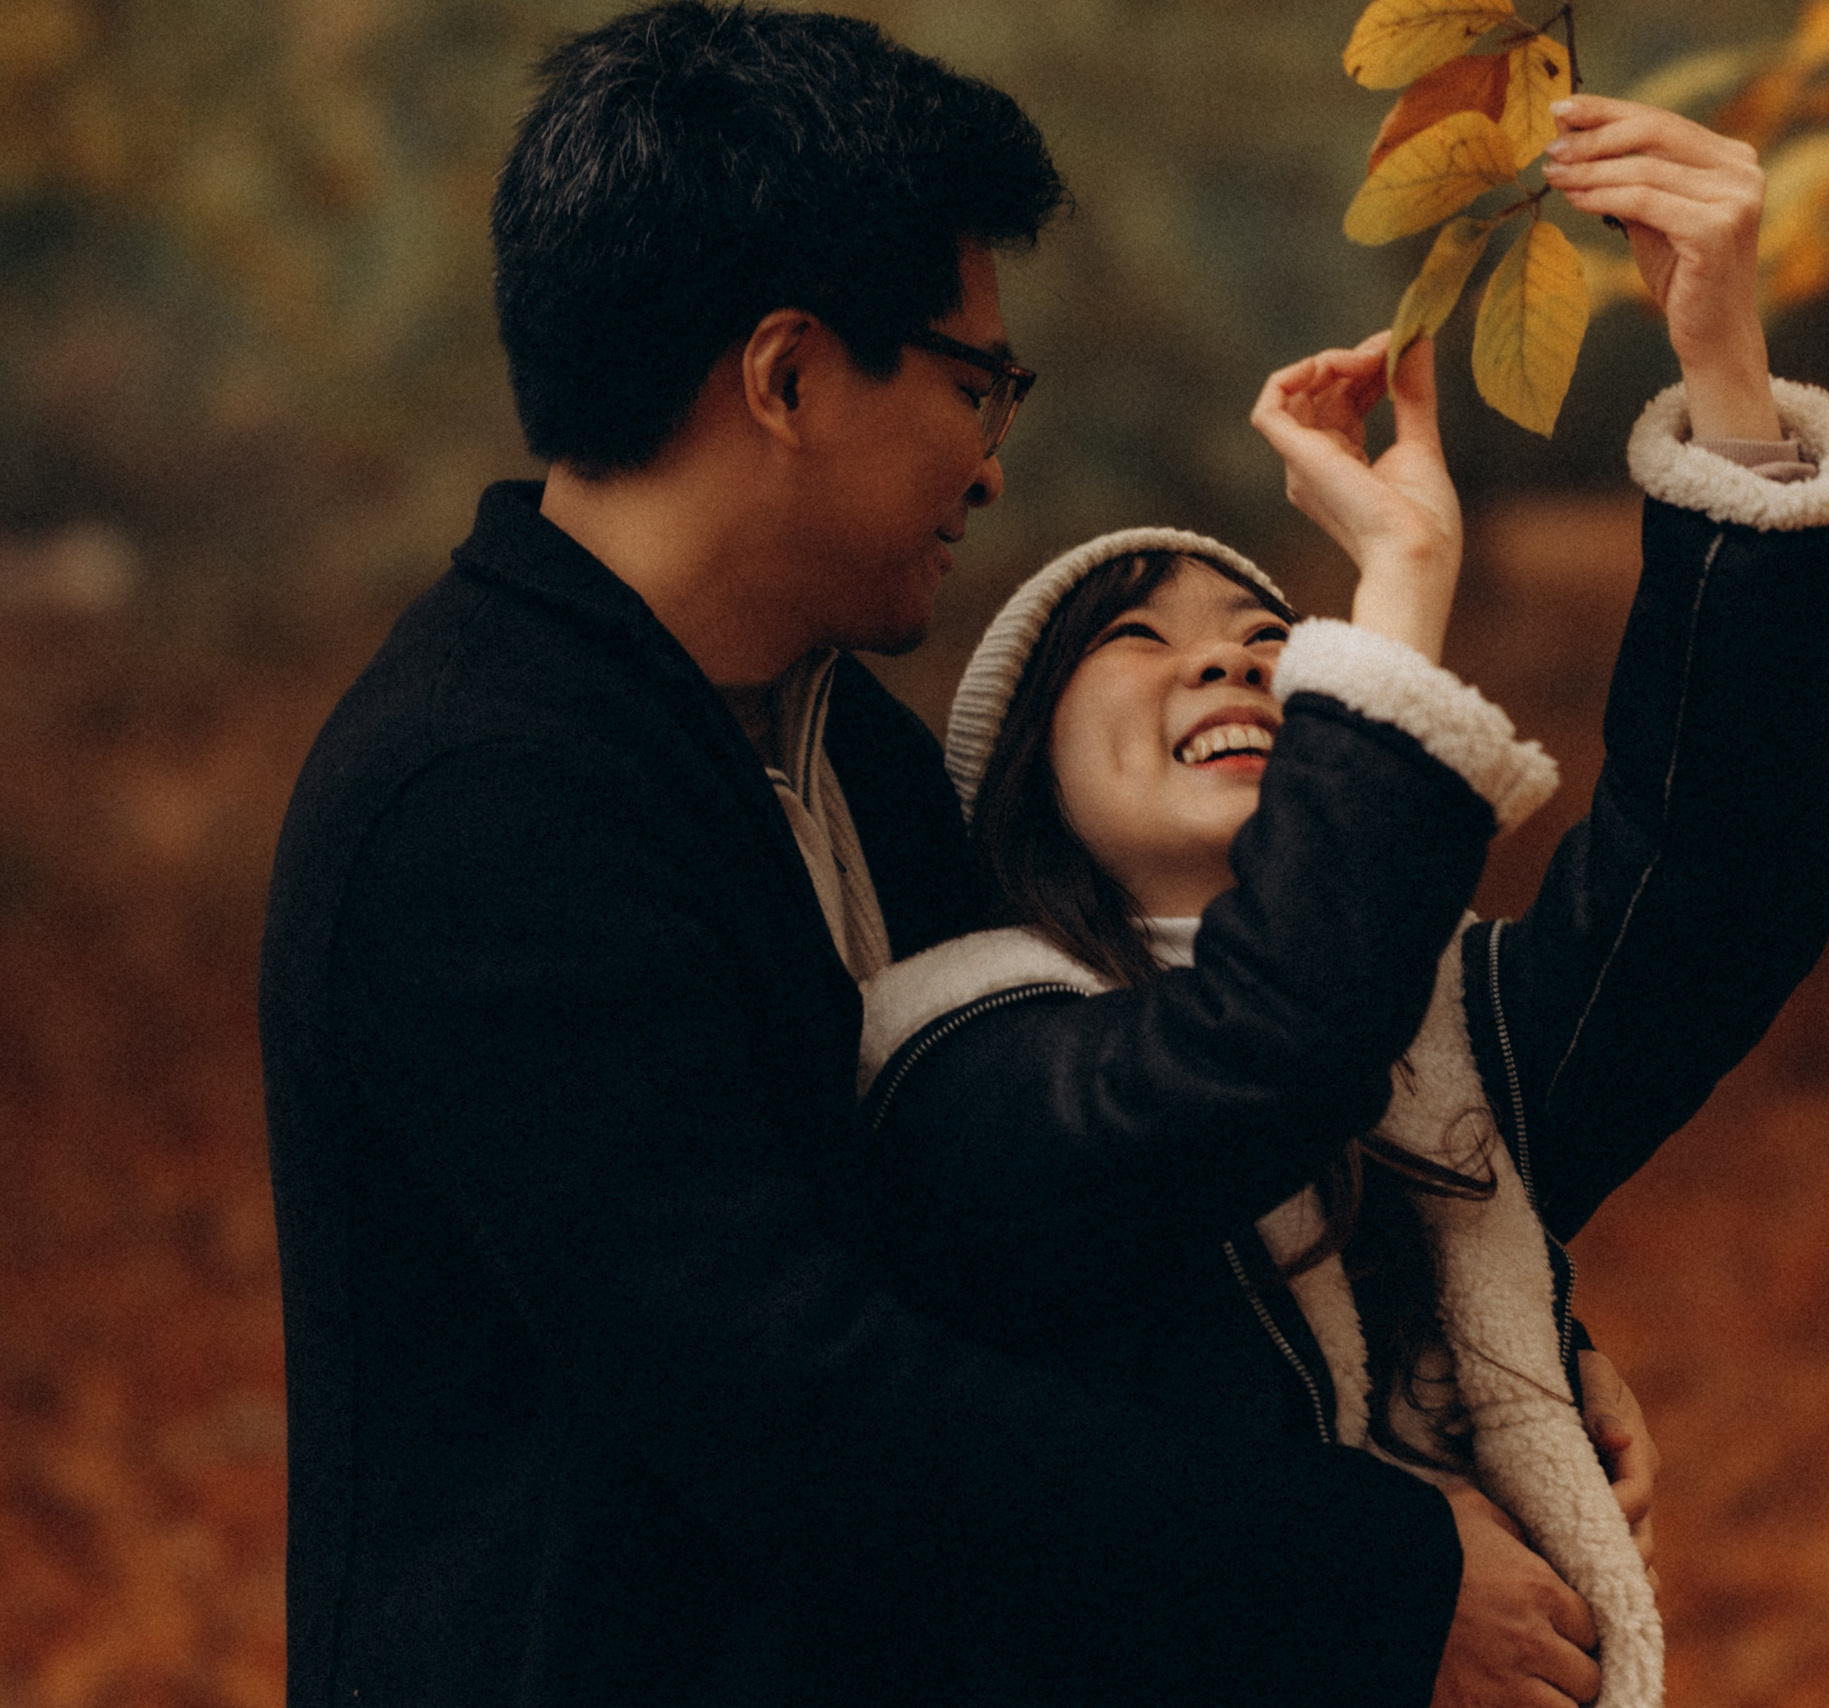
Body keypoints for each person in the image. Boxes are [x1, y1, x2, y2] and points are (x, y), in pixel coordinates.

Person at [257, 7, 1638, 1705]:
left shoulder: (825, 732)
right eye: (977, 382)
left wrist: (1487, 1345)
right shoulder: (484, 804)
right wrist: (1370, 1578)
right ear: (786, 376)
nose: (995, 463)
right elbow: (798, 1411)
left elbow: (1096, 1157)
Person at [851, 99, 1829, 1708]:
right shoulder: (963, 1066)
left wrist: (1724, 369)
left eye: (1276, 638)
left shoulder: (1453, 1046)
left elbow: (1720, 877)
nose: (1233, 655)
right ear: (1021, 781)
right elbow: (1238, 1074)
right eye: (1135, 635)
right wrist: (1390, 600)